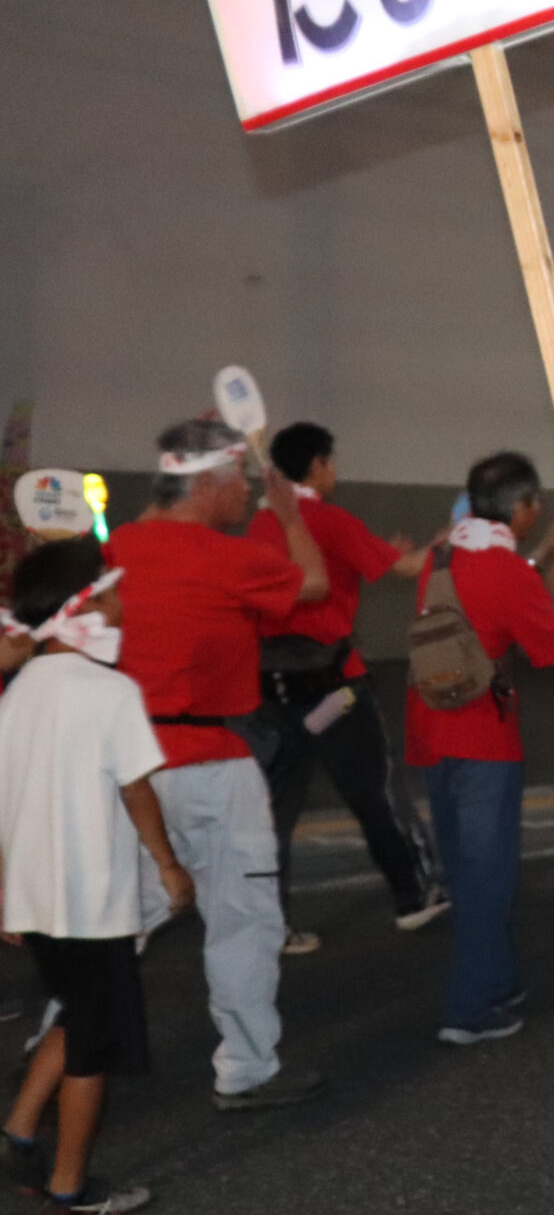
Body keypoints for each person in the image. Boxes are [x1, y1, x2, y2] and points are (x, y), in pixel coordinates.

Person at [107, 419, 327, 1112]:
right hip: (213, 764)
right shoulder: (226, 557)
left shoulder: (112, 550)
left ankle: (61, 1050)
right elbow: (314, 583)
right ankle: (247, 1067)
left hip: (125, 769)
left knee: (111, 923)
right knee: (244, 919)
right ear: (205, 483)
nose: (247, 497)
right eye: (239, 483)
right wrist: (289, 512)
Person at [0, 541, 190, 1213]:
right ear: (81, 609)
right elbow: (137, 790)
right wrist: (168, 863)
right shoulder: (112, 691)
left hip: (34, 899)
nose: (120, 605)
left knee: (79, 1009)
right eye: (109, 594)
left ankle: (20, 1128)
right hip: (92, 901)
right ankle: (70, 1186)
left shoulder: (19, 690)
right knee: (93, 1046)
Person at [249, 422, 445, 954]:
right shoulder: (329, 519)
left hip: (272, 693)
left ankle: (274, 927)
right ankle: (413, 896)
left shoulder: (261, 526)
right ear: (316, 465)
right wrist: (446, 548)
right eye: (331, 462)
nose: (334, 472)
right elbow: (404, 567)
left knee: (273, 813)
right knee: (375, 793)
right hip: (336, 693)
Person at [405, 452, 554, 1046]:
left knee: (464, 867)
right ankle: (467, 1010)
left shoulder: (441, 555)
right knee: (487, 877)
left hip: (431, 728)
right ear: (522, 508)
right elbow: (552, 648)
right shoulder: (510, 571)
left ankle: (498, 978)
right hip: (485, 736)